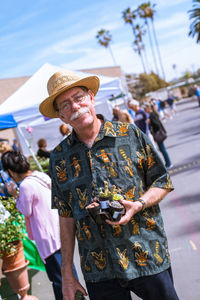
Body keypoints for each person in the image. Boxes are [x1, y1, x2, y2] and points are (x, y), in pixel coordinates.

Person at [39, 70, 179, 300]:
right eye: (65, 104)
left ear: (92, 97)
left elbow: (162, 180)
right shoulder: (59, 158)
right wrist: (66, 273)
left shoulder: (129, 134)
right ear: (60, 116)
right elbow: (65, 216)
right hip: (99, 270)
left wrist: (139, 204)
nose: (74, 106)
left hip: (146, 254)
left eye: (78, 97)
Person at [1, 151, 78, 300]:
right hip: (59, 230)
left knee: (59, 280)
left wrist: (14, 194)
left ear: (10, 171)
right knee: (69, 273)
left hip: (47, 238)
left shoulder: (25, 186)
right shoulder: (40, 176)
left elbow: (25, 209)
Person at [145, 103, 173, 170]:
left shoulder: (152, 115)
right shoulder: (152, 114)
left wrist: (150, 122)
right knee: (161, 149)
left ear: (149, 108)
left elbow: (157, 125)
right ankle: (167, 163)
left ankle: (169, 163)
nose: (145, 110)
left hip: (158, 134)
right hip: (158, 134)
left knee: (162, 149)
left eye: (145, 108)